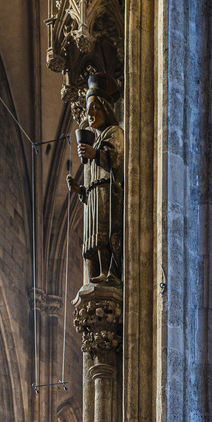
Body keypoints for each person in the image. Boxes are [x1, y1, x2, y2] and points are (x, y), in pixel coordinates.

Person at [67, 72, 124, 283]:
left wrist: (97, 154)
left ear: (106, 110)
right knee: (91, 238)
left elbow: (119, 160)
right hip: (93, 195)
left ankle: (108, 271)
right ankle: (95, 273)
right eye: (88, 109)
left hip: (106, 193)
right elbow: (92, 175)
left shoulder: (115, 133)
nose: (90, 114)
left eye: (95, 108)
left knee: (102, 234)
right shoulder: (97, 140)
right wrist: (79, 190)